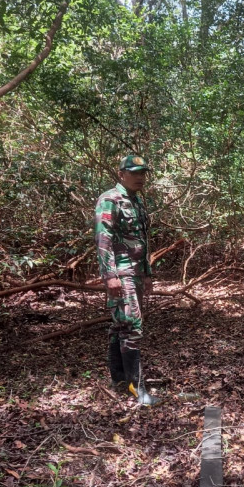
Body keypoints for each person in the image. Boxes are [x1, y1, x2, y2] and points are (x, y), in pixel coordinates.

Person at [94, 154, 158, 405]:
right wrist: (109, 276)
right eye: (134, 172)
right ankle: (137, 389)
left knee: (120, 325)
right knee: (132, 326)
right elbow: (103, 239)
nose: (140, 177)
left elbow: (142, 240)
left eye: (143, 173)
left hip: (136, 272)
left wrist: (148, 274)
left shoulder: (137, 201)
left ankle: (120, 379)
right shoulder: (110, 199)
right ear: (121, 174)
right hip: (120, 273)